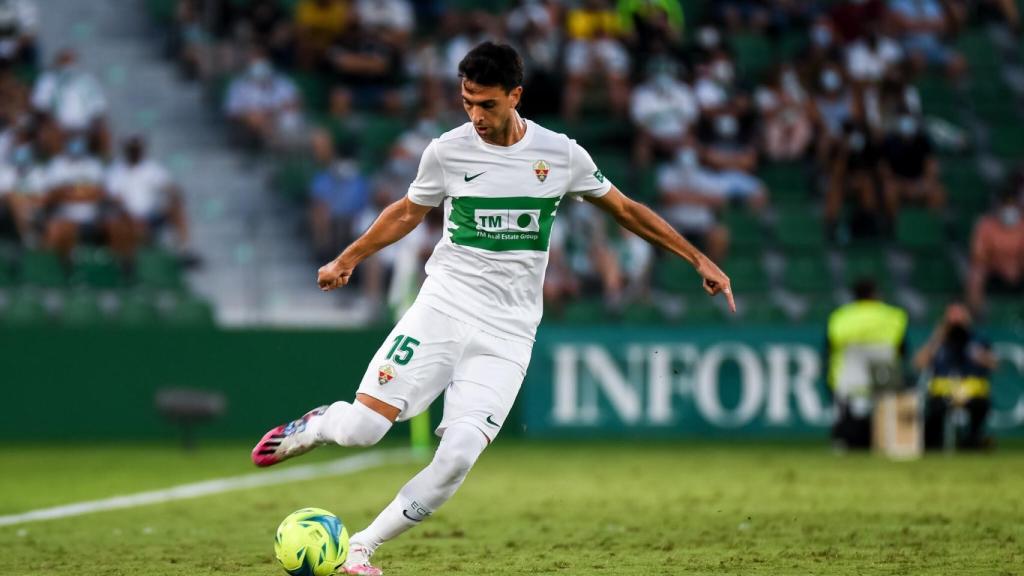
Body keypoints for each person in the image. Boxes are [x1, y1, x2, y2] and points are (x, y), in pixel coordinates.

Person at [251, 42, 735, 576]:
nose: (476, 116)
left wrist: (698, 259)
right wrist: (347, 258)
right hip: (442, 307)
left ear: (515, 96)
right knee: (365, 429)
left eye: (487, 104)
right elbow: (407, 213)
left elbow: (625, 210)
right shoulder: (447, 151)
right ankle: (318, 425)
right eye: (467, 103)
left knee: (458, 456)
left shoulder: (561, 155)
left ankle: (362, 546)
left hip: (509, 332)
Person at [825, 279, 909, 450]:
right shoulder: (894, 316)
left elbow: (830, 346)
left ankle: (841, 438)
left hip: (847, 380)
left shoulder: (840, 317)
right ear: (875, 294)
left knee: (839, 381)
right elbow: (902, 349)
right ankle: (889, 437)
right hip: (885, 379)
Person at [914, 302, 996, 450]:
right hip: (943, 393)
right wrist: (937, 339)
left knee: (982, 405)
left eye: (959, 316)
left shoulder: (977, 339)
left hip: (972, 393)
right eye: (952, 317)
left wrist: (977, 354)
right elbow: (919, 363)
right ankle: (933, 443)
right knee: (936, 410)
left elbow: (994, 364)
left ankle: (972, 440)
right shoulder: (939, 341)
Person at [967, 188, 1024, 312]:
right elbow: (978, 257)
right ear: (999, 207)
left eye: (1012, 205)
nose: (1009, 209)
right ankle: (978, 316)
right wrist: (1000, 265)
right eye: (1006, 205)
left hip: (1017, 272)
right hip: (994, 273)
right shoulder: (985, 225)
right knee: (976, 274)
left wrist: (1016, 266)